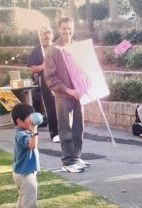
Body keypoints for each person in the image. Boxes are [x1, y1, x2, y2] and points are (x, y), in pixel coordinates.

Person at [44, 16, 90, 173]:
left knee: (79, 127)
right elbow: (50, 78)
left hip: (78, 95)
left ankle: (76, 157)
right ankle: (68, 161)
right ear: (59, 29)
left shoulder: (76, 48)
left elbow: (84, 70)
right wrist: (67, 89)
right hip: (64, 96)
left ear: (73, 29)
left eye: (70, 28)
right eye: (64, 28)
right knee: (66, 128)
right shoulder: (52, 50)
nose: (67, 31)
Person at [28, 26, 59, 143]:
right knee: (50, 107)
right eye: (44, 33)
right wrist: (42, 66)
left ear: (52, 34)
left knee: (62, 106)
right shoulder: (37, 50)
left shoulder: (57, 47)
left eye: (49, 33)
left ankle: (65, 130)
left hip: (59, 80)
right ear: (40, 36)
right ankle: (54, 133)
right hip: (45, 81)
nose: (47, 36)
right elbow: (32, 68)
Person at [11, 103, 42, 208]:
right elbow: (32, 145)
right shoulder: (21, 134)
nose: (32, 121)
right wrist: (34, 130)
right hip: (25, 174)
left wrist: (32, 129)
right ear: (19, 121)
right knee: (30, 202)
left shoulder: (24, 131)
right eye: (30, 119)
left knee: (23, 198)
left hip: (23, 172)